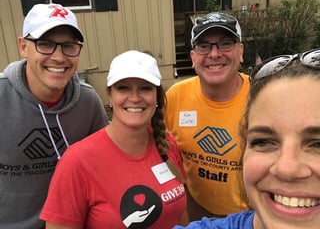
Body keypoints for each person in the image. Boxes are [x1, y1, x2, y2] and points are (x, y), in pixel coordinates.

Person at [174, 48, 320, 228]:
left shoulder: (246, 93)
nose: (286, 168)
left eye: (318, 145)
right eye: (264, 141)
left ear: (241, 51)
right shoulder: (175, 96)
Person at [40, 50, 187, 228]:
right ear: (109, 94)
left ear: (157, 96)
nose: (134, 98)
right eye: (123, 88)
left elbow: (180, 214)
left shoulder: (167, 142)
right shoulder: (77, 162)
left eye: (145, 88)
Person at [0, 3, 108, 229]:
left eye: (69, 46)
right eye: (45, 44)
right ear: (23, 46)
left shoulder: (88, 102)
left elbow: (106, 163)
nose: (58, 57)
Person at [165, 12, 250, 220]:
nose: (214, 54)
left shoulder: (260, 95)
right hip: (196, 213)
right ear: (193, 57)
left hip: (250, 217)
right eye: (204, 46)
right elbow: (157, 148)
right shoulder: (176, 96)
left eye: (225, 44)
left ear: (240, 51)